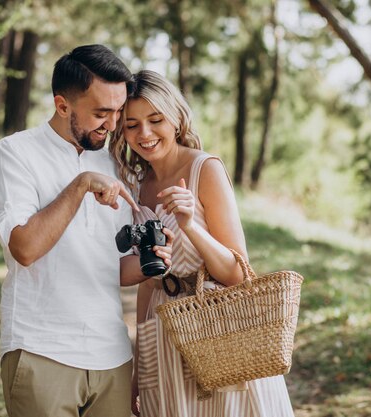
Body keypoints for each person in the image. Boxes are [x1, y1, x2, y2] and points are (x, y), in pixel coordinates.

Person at [0, 45, 173, 417]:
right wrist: (81, 183)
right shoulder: (15, 154)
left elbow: (110, 267)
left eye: (119, 112)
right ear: (62, 105)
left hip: (112, 357)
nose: (114, 124)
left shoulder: (117, 162)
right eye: (101, 113)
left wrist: (156, 261)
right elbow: (24, 248)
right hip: (42, 351)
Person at [110, 69, 294, 417]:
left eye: (155, 119)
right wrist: (138, 366)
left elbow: (238, 275)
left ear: (177, 119)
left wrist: (191, 226)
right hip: (164, 335)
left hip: (216, 330)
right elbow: (150, 282)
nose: (144, 134)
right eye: (131, 125)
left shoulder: (203, 169)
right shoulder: (135, 183)